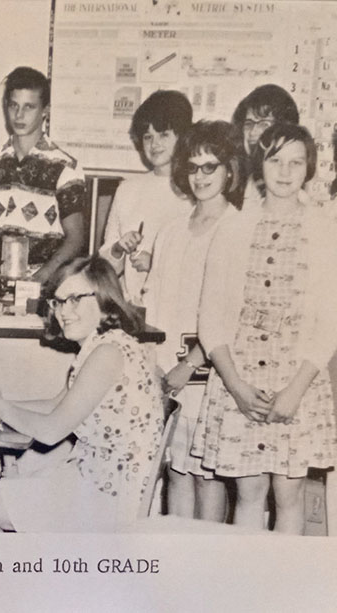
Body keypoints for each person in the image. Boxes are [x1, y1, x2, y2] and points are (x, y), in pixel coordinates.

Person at [192, 123, 337, 533]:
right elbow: (211, 318)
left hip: (297, 381)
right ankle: (244, 587)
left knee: (288, 496)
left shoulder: (325, 230)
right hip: (241, 380)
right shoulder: (235, 227)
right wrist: (236, 387)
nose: (286, 172)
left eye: (297, 162)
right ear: (260, 165)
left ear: (309, 168)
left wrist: (295, 390)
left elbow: (329, 321)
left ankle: (280, 589)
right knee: (249, 493)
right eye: (276, 160)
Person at [0, 257, 163, 532]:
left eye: (76, 299)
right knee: (14, 484)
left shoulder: (107, 354)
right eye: (58, 301)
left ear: (105, 300)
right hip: (103, 480)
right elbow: (56, 406)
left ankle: (5, 575)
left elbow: (52, 431)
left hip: (109, 496)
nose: (64, 311)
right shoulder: (105, 346)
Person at [142, 120, 243, 522]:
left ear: (230, 171)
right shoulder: (170, 232)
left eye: (211, 167)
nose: (200, 176)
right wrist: (154, 365)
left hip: (208, 371)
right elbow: (153, 303)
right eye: (194, 167)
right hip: (167, 370)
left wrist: (191, 363)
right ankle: (177, 567)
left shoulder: (238, 228)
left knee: (207, 476)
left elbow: (232, 312)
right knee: (175, 470)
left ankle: (206, 568)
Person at [0, 67, 87, 286]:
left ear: (45, 110)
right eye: (14, 105)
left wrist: (40, 278)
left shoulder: (66, 167)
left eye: (29, 107)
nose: (19, 115)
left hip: (42, 290)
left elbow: (75, 238)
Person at [99, 90, 193, 304]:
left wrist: (156, 266)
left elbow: (198, 265)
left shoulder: (196, 189)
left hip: (174, 307)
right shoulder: (127, 189)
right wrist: (118, 249)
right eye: (148, 136)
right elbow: (106, 267)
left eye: (164, 135)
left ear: (183, 136)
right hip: (130, 306)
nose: (154, 144)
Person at [230, 84, 300, 211]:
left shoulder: (289, 183)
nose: (253, 132)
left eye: (264, 124)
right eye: (249, 124)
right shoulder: (239, 179)